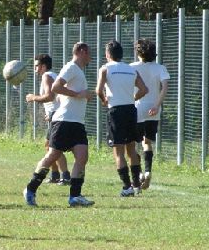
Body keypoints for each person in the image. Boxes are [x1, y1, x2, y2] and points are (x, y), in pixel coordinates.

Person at [23, 42, 95, 207]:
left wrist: (85, 95)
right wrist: (78, 94)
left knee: (82, 157)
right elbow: (56, 87)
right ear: (82, 51)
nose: (90, 57)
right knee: (52, 156)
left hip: (77, 122)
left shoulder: (78, 71)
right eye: (89, 53)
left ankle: (75, 196)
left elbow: (65, 94)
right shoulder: (71, 67)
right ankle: (30, 189)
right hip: (64, 120)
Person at [96, 40, 148, 197]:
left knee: (118, 151)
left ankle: (127, 187)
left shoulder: (105, 68)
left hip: (116, 111)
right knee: (131, 149)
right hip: (131, 110)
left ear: (107, 54)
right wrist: (133, 98)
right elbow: (144, 89)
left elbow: (98, 90)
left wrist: (104, 100)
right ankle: (136, 185)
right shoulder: (131, 69)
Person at [25, 54, 71, 184]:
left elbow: (50, 96)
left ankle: (66, 176)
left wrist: (33, 98)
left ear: (43, 66)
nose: (35, 69)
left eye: (36, 66)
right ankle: (55, 175)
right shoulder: (52, 75)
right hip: (56, 114)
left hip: (57, 115)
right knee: (49, 146)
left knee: (55, 149)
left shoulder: (47, 76)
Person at [130, 38, 170, 189]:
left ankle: (139, 172)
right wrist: (157, 105)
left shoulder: (132, 67)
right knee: (147, 142)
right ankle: (148, 171)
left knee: (132, 144)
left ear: (138, 52)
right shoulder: (160, 68)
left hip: (137, 106)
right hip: (154, 108)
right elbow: (164, 87)